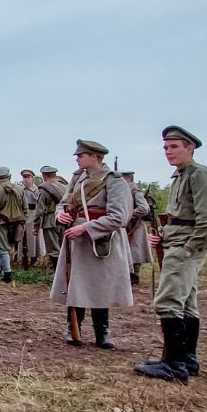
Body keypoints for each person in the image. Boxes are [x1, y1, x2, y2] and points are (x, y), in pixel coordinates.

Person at [135, 126, 207, 382]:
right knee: (186, 303)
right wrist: (162, 235)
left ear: (190, 148)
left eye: (174, 147)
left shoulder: (199, 175)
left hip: (184, 249)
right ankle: (187, 359)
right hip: (176, 243)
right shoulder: (180, 175)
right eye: (165, 147)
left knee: (168, 302)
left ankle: (174, 365)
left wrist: (188, 248)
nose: (168, 152)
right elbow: (181, 216)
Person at [50, 140, 134, 349]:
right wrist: (60, 215)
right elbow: (63, 203)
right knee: (75, 284)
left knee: (100, 286)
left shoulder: (114, 181)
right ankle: (73, 327)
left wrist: (86, 228)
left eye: (81, 155)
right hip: (76, 240)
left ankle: (102, 331)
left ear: (94, 156)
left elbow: (119, 217)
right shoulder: (78, 178)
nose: (77, 159)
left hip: (101, 240)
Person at [123, 170, 152, 285]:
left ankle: (135, 276)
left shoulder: (135, 192)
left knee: (135, 251)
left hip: (136, 226)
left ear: (128, 179)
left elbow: (144, 209)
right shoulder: (127, 191)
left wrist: (128, 215)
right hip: (128, 225)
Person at [37, 165, 67, 264]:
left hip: (49, 220)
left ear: (44, 175)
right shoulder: (64, 187)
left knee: (53, 249)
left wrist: (36, 226)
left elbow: (39, 210)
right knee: (64, 247)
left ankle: (56, 273)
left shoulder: (44, 188)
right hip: (63, 219)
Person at [17, 169, 42, 268]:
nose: (26, 179)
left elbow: (40, 204)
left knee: (33, 238)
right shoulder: (21, 190)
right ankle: (22, 258)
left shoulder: (37, 190)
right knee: (22, 238)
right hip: (23, 215)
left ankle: (34, 258)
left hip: (33, 215)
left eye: (28, 177)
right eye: (24, 177)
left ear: (32, 178)